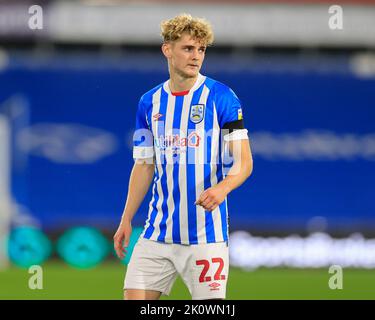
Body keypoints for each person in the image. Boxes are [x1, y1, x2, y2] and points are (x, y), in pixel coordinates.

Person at [113, 13, 253, 300]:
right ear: (168, 49)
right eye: (188, 48)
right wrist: (126, 218)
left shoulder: (222, 97)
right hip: (156, 234)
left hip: (205, 237)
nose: (196, 56)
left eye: (201, 49)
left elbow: (244, 162)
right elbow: (143, 164)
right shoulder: (148, 102)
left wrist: (221, 189)